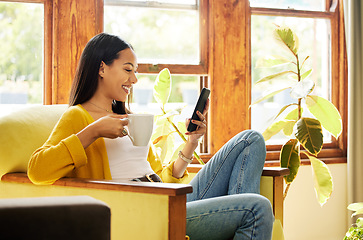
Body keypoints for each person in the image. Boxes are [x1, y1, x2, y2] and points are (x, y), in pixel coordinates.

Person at [28, 33, 274, 239]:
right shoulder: (78, 116)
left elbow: (164, 175)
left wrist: (192, 142)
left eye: (135, 71)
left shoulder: (129, 117)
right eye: (127, 70)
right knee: (257, 208)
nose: (134, 79)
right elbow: (37, 171)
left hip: (167, 196)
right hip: (144, 209)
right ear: (102, 68)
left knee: (250, 140)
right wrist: (93, 132)